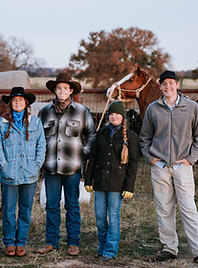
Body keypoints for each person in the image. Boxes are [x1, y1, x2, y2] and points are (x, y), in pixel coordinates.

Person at [140, 70, 198, 264]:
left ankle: (197, 249)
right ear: (160, 86)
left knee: (188, 208)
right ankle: (169, 248)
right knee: (164, 207)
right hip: (160, 166)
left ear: (177, 85)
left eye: (171, 83)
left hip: (183, 165)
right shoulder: (153, 109)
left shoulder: (191, 107)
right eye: (164, 84)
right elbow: (145, 137)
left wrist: (191, 159)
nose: (168, 87)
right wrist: (150, 157)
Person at [37, 73, 96, 256]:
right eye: (58, 88)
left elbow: (92, 135)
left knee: (72, 205)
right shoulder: (44, 111)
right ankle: (51, 242)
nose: (62, 91)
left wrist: (83, 154)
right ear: (54, 90)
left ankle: (73, 243)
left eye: (65, 88)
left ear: (71, 91)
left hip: (73, 168)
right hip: (51, 167)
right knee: (52, 206)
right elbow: (38, 137)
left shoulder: (82, 111)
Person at [0, 87, 46, 257]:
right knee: (8, 210)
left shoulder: (35, 122)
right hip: (9, 174)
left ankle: (21, 242)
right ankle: (9, 242)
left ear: (26, 103)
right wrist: (4, 166)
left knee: (25, 209)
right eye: (14, 100)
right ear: (10, 103)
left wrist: (36, 165)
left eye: (20, 100)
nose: (17, 102)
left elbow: (41, 145)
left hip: (29, 174)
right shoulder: (1, 123)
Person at [84, 101, 140, 261]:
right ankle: (101, 247)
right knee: (100, 216)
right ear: (108, 116)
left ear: (123, 117)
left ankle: (110, 250)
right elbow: (93, 158)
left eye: (117, 114)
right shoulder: (101, 133)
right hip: (100, 181)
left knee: (113, 216)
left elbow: (134, 164)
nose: (114, 116)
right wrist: (88, 179)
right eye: (111, 114)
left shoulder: (131, 137)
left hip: (118, 183)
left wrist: (129, 186)